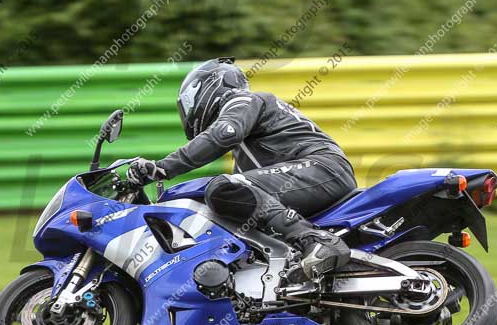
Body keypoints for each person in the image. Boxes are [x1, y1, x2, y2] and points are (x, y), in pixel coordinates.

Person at [127, 57, 356, 282]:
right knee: (231, 201)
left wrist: (162, 168)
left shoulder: (244, 100)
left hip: (322, 167)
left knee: (223, 188)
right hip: (315, 174)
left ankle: (316, 241)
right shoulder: (245, 154)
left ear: (211, 86)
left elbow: (223, 134)